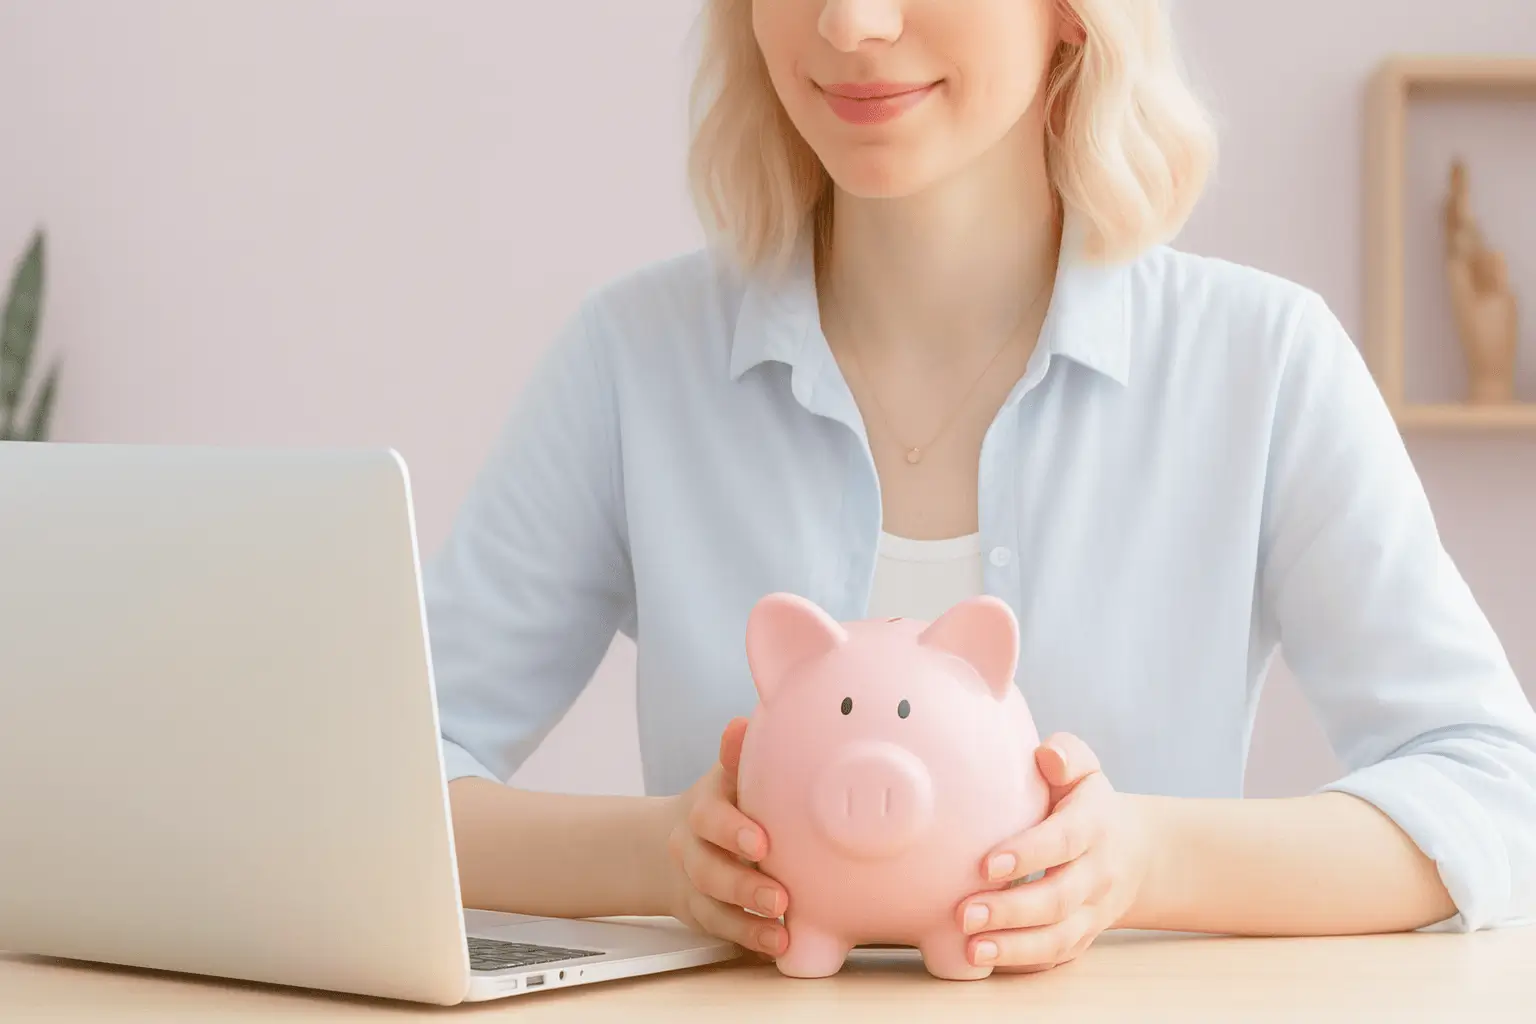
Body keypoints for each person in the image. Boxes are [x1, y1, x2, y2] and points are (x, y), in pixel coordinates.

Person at [429, 0, 1536, 974]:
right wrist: (662, 856)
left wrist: (1142, 862)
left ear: (1072, 10)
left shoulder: (1263, 362)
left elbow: (1494, 793)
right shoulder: (632, 360)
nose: (851, 22)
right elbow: (376, 786)